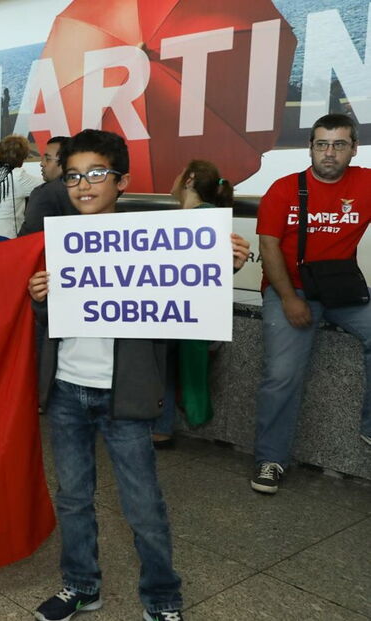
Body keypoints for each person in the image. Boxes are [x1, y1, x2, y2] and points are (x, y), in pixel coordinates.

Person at [27, 129, 184, 621]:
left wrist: (219, 268)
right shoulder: (55, 244)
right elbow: (47, 326)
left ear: (123, 181)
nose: (84, 184)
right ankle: (80, 586)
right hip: (67, 391)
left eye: (97, 174)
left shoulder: (151, 243)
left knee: (143, 506)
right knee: (73, 499)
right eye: (74, 175)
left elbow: (184, 306)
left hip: (126, 396)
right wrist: (38, 300)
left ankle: (162, 597)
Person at [252, 113, 371, 495]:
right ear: (310, 149)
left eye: (339, 144)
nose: (329, 153)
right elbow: (268, 246)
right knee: (282, 373)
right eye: (322, 144)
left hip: (340, 292)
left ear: (354, 148)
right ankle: (270, 459)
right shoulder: (284, 189)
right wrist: (288, 299)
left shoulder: (366, 182)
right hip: (292, 289)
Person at [152, 161, 251, 448]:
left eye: (178, 172)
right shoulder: (209, 218)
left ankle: (159, 425)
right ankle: (161, 425)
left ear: (189, 179)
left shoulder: (197, 219)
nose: (174, 178)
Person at [0, 134, 42, 242]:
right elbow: (47, 185)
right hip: (4, 237)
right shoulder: (18, 176)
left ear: (0, 152)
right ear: (23, 157)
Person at [18, 136, 76, 236]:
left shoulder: (44, 193)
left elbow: (28, 236)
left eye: (48, 159)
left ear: (66, 162)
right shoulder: (89, 188)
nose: (42, 163)